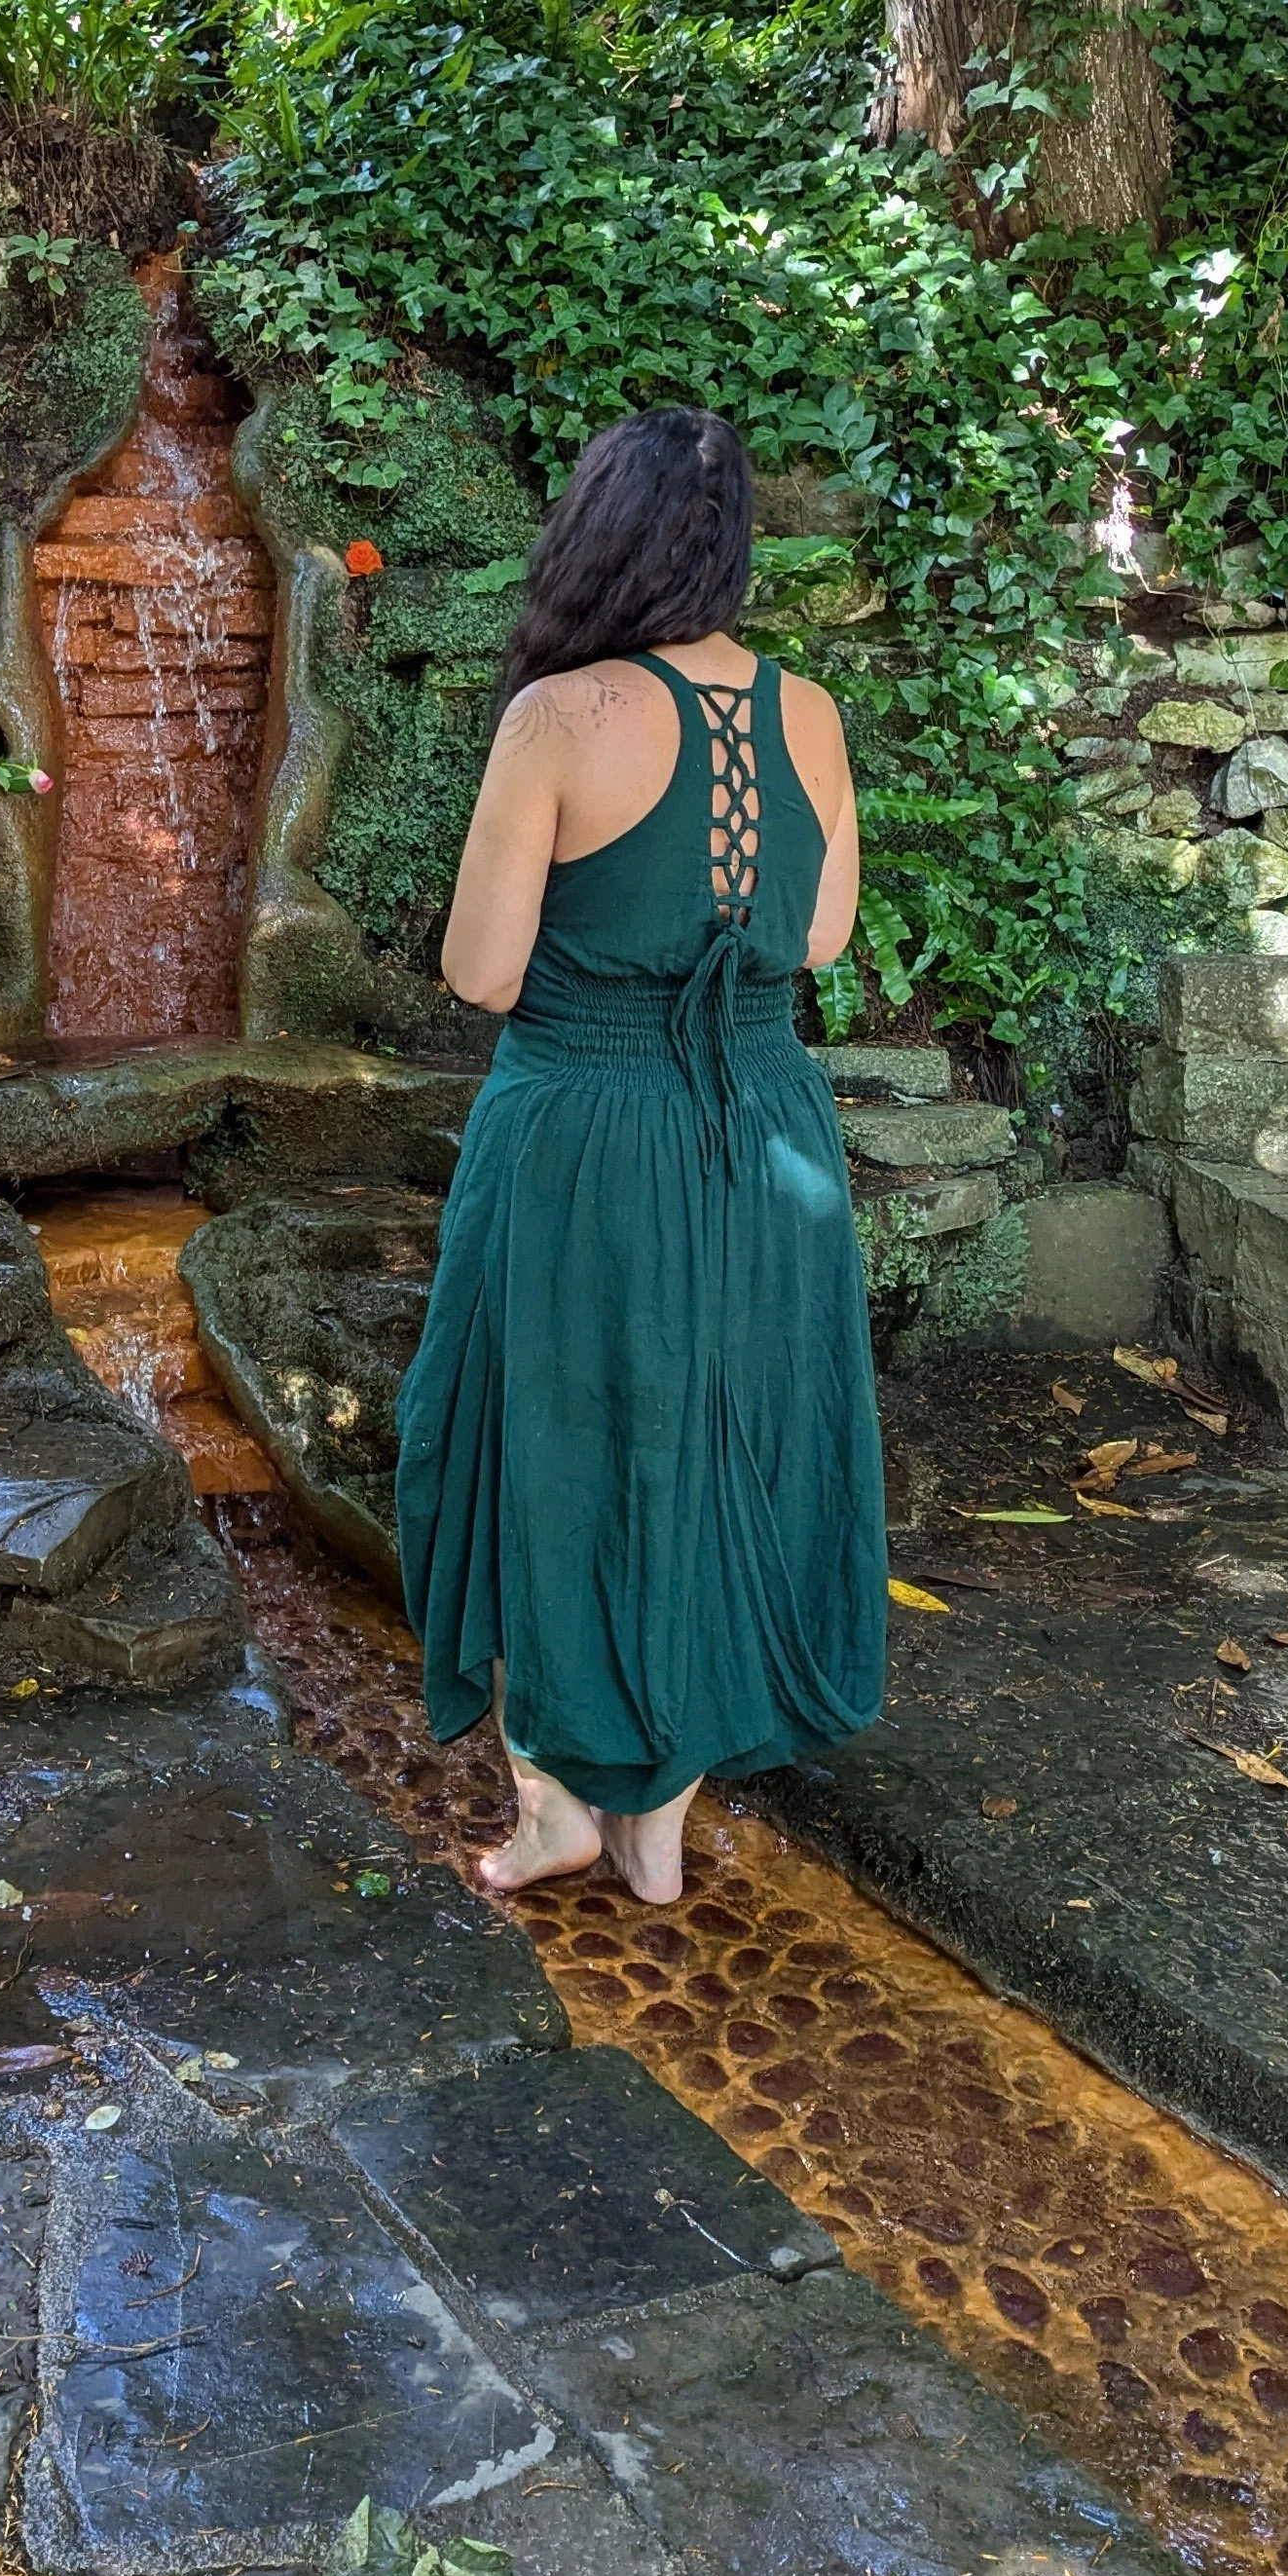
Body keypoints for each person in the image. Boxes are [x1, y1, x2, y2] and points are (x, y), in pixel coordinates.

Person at [394, 402, 886, 1903]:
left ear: (591, 534)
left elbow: (481, 972)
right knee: (704, 1444)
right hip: (762, 1130)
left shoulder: (558, 718)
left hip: (587, 1136)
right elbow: (817, 937)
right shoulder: (808, 710)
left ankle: (557, 1808)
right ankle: (657, 1825)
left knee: (557, 1446)